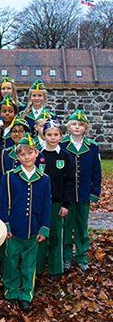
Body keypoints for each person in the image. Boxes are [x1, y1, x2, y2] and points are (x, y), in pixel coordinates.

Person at [0, 134, 51, 313]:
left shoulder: (44, 179)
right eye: (22, 154)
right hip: (14, 230)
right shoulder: (9, 177)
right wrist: (5, 224)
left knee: (29, 265)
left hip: (33, 230)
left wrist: (44, 227)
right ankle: (11, 291)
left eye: (30, 153)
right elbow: (5, 203)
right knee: (11, 262)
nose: (26, 157)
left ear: (37, 153)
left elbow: (46, 205)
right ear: (17, 157)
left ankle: (26, 295)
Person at [60, 110, 101, 272]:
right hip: (66, 196)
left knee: (81, 227)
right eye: (74, 124)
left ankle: (82, 256)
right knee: (66, 226)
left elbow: (96, 172)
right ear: (69, 127)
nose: (77, 128)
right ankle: (66, 256)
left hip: (83, 194)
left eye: (80, 125)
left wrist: (94, 192)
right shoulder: (62, 145)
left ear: (85, 128)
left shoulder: (92, 147)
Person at [37, 120, 75, 279]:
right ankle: (37, 269)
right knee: (39, 237)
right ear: (43, 135)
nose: (52, 138)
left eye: (56, 134)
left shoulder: (65, 156)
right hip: (39, 203)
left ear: (61, 136)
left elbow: (70, 181)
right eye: (49, 134)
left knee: (55, 237)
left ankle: (55, 269)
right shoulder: (38, 155)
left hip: (56, 203)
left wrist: (66, 204)